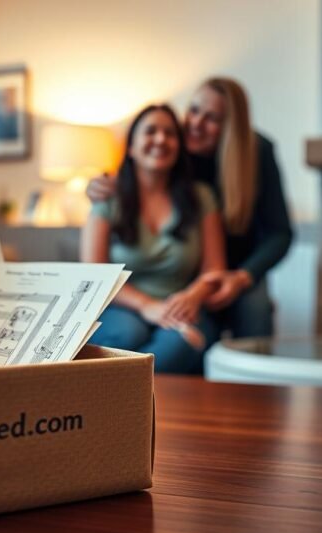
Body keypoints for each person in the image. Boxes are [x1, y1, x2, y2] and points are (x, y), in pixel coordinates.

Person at [88, 78, 293, 339]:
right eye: (194, 110)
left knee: (254, 308)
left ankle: (247, 378)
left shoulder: (255, 151)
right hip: (185, 266)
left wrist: (241, 277)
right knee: (133, 332)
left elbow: (280, 234)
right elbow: (136, 172)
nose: (196, 123)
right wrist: (98, 185)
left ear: (229, 127)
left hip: (235, 266)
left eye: (212, 118)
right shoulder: (175, 143)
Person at [82, 104, 225, 374]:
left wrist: (193, 296)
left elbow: (214, 268)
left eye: (170, 133)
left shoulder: (201, 196)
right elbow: (95, 273)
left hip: (181, 307)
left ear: (179, 146)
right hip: (122, 308)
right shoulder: (107, 198)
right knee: (126, 336)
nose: (160, 139)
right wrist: (148, 307)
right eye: (150, 131)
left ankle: (126, 404)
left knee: (181, 344)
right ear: (132, 147)